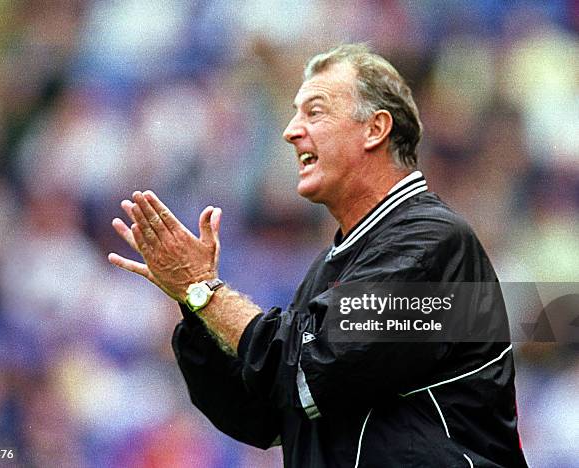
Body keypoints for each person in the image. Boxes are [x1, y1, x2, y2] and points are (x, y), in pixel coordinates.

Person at [109, 44, 528, 467]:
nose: (291, 130)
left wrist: (205, 292)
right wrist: (194, 305)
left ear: (375, 129)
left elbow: (316, 366)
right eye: (295, 113)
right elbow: (262, 415)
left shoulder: (432, 242)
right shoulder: (335, 263)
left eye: (315, 112)